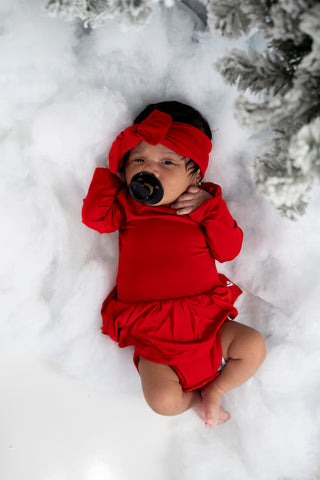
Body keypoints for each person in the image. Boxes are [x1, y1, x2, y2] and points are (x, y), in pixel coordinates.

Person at [82, 101, 266, 428]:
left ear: (195, 175)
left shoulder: (202, 204)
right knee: (163, 402)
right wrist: (112, 177)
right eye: (138, 159)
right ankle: (195, 400)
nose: (150, 169)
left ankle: (216, 389)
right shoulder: (126, 205)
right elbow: (95, 218)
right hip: (153, 334)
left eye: (167, 161)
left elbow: (229, 250)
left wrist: (211, 209)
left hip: (208, 324)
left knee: (253, 347)